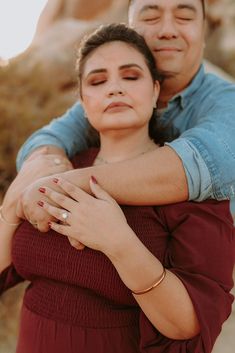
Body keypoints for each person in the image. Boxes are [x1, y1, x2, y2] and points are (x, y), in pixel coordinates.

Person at [0, 23, 234, 353]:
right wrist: (12, 208)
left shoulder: (190, 191)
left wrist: (120, 243)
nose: (114, 88)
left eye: (130, 76)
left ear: (155, 92)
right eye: (98, 80)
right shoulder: (59, 167)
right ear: (83, 100)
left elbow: (190, 325)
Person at [11, 0, 235, 233]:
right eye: (150, 18)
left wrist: (61, 187)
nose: (167, 31)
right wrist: (50, 164)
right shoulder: (117, 97)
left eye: (184, 18)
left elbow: (195, 166)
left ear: (203, 29)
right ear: (131, 28)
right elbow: (47, 139)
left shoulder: (228, 102)